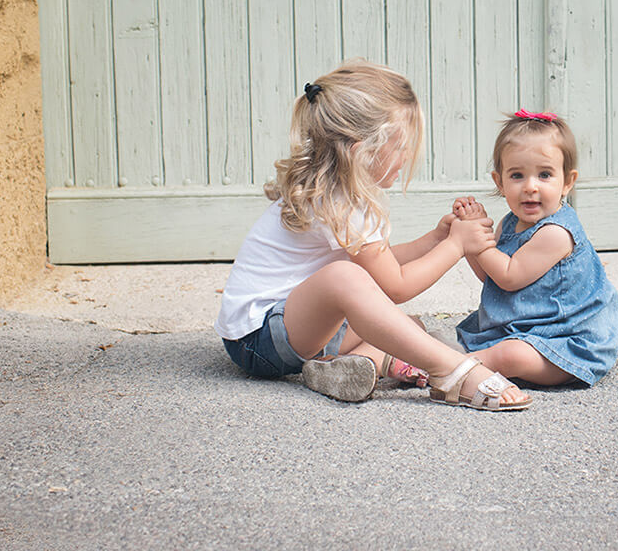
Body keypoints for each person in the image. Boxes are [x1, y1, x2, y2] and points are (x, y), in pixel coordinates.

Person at [214, 60, 531, 411]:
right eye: (400, 146)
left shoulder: (342, 192)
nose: (406, 156)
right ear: (361, 150)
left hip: (295, 329)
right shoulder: (339, 201)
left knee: (403, 327)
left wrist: (436, 239)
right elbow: (395, 285)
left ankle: (360, 363)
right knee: (349, 280)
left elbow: (382, 263)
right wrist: (456, 246)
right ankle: (452, 371)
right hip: (257, 340)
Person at [453, 110, 618, 387]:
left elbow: (509, 277)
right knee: (506, 349)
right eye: (517, 175)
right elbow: (491, 276)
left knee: (511, 355)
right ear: (500, 182)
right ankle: (459, 360)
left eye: (544, 175)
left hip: (566, 340)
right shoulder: (510, 223)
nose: (530, 187)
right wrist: (473, 239)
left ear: (567, 182)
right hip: (525, 327)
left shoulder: (556, 233)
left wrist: (476, 243)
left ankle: (452, 367)